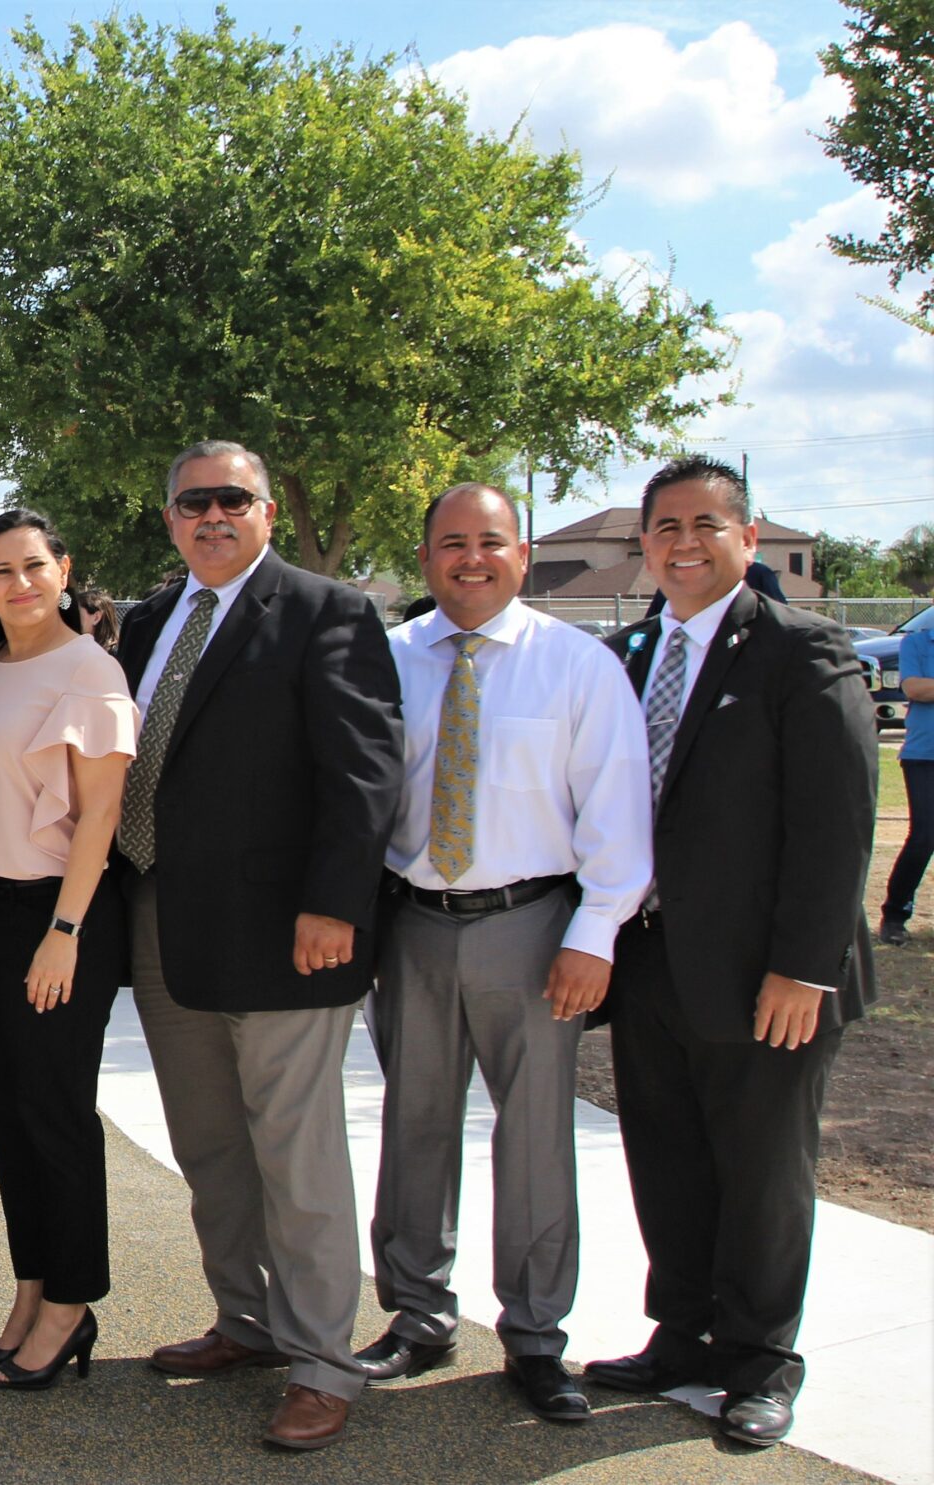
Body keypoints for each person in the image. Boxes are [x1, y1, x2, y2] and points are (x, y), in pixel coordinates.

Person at [113, 441, 403, 1451]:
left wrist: (335, 903)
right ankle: (247, 1320)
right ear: (169, 519)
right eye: (192, 501)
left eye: (232, 498)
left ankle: (326, 1362)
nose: (212, 514)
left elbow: (364, 775)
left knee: (297, 1155)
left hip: (290, 936)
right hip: (163, 927)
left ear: (267, 512)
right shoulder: (147, 622)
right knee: (210, 1147)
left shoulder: (330, 612)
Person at [586, 456, 877, 1450]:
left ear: (747, 539)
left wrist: (804, 968)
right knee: (663, 1154)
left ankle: (759, 1356)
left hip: (768, 976)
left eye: (706, 525)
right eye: (664, 527)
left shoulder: (803, 652)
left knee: (759, 1168)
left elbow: (837, 825)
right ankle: (683, 1333)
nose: (682, 543)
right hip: (652, 961)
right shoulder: (626, 653)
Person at [360, 484, 652, 1423]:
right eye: (451, 543)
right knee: (413, 1126)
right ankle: (417, 1313)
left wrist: (594, 934)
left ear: (522, 555)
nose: (470, 559)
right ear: (426, 556)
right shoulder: (387, 660)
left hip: (533, 928)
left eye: (491, 542)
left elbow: (616, 813)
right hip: (410, 923)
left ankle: (533, 1334)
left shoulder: (577, 666)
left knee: (532, 1138)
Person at [0, 508, 137, 1394]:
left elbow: (100, 814)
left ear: (63, 570)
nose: (17, 583)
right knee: (6, 1119)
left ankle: (73, 1302)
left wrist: (64, 932)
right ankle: (31, 1290)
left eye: (32, 566)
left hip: (51, 918)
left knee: (54, 1117)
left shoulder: (88, 672)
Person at [879, 615, 934, 946]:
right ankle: (895, 913)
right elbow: (914, 687)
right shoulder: (916, 642)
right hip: (924, 754)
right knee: (925, 835)